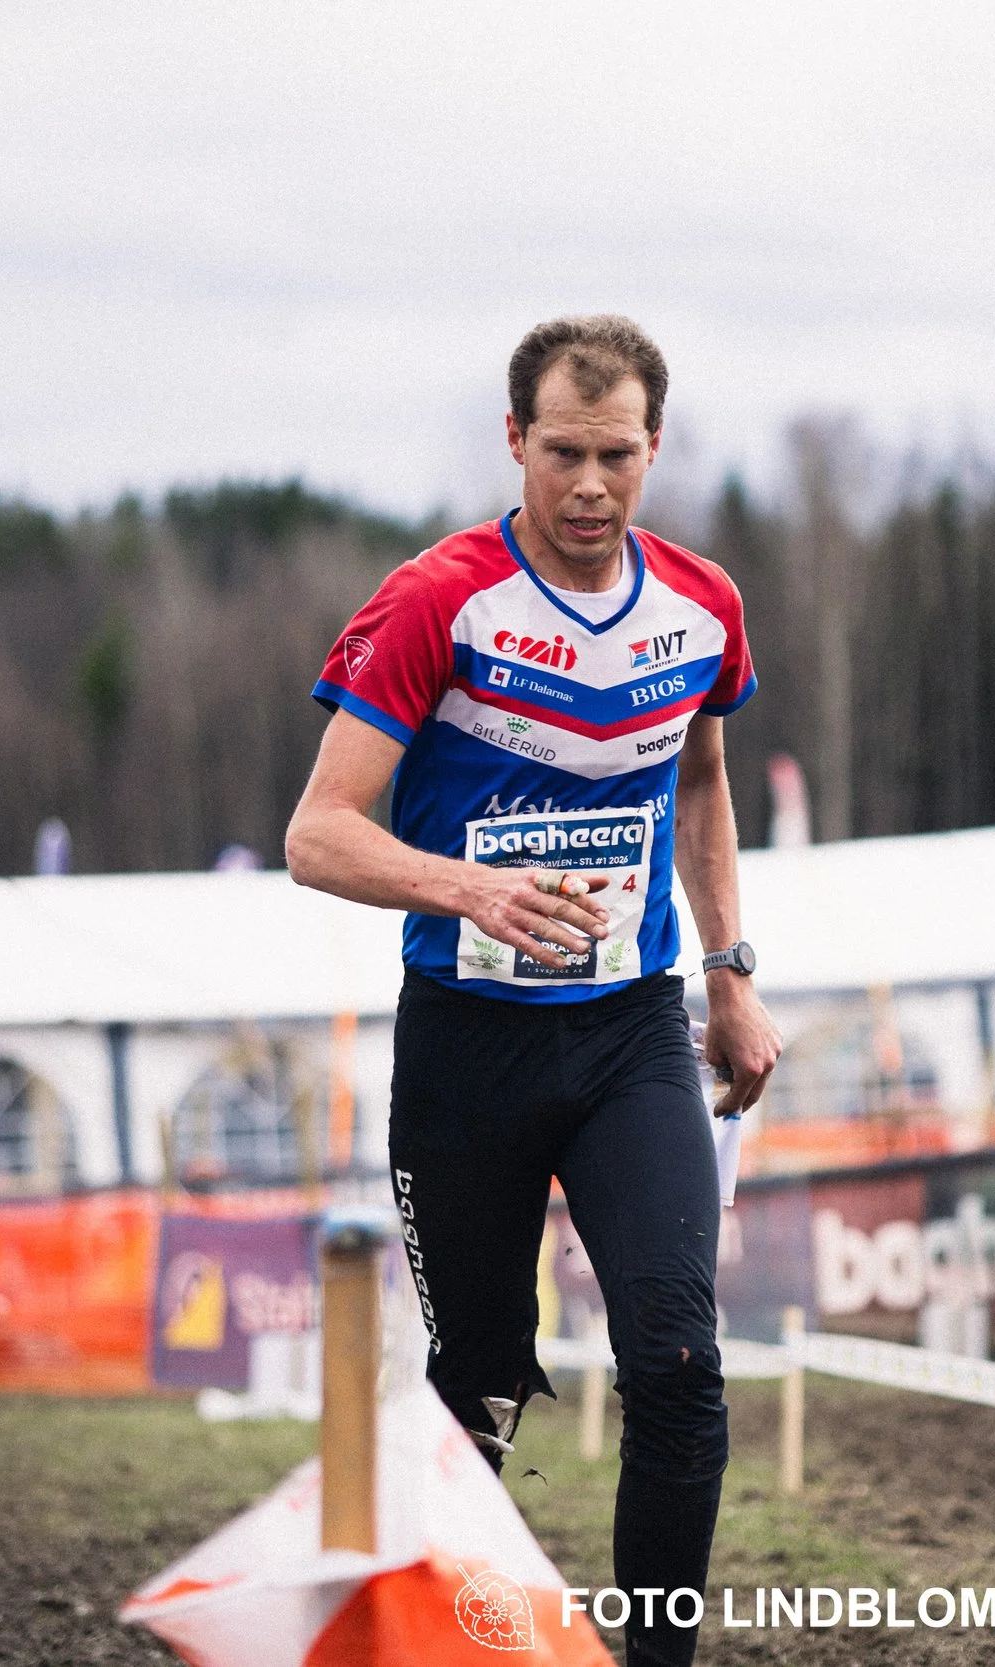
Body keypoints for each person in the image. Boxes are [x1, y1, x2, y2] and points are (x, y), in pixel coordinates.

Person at [283, 316, 782, 1667]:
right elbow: (316, 832)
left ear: (653, 448)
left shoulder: (702, 605)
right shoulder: (437, 599)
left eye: (617, 454)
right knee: (485, 1380)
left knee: (678, 1361)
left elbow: (701, 782)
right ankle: (442, 1638)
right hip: (469, 1047)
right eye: (561, 452)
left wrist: (733, 974)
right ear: (515, 441)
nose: (588, 485)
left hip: (630, 1031)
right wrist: (466, 886)